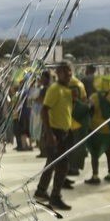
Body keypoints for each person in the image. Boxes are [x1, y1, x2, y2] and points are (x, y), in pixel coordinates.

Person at [34, 62, 74, 211]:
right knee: (62, 166)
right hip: (55, 132)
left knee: (51, 163)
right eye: (66, 73)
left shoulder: (66, 89)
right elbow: (44, 111)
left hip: (64, 132)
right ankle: (55, 197)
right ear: (58, 73)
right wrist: (50, 134)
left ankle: (41, 190)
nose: (69, 75)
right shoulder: (55, 89)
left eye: (70, 73)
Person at [84, 77, 110, 185]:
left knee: (94, 153)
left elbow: (89, 110)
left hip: (97, 128)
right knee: (109, 153)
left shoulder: (94, 97)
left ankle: (95, 176)